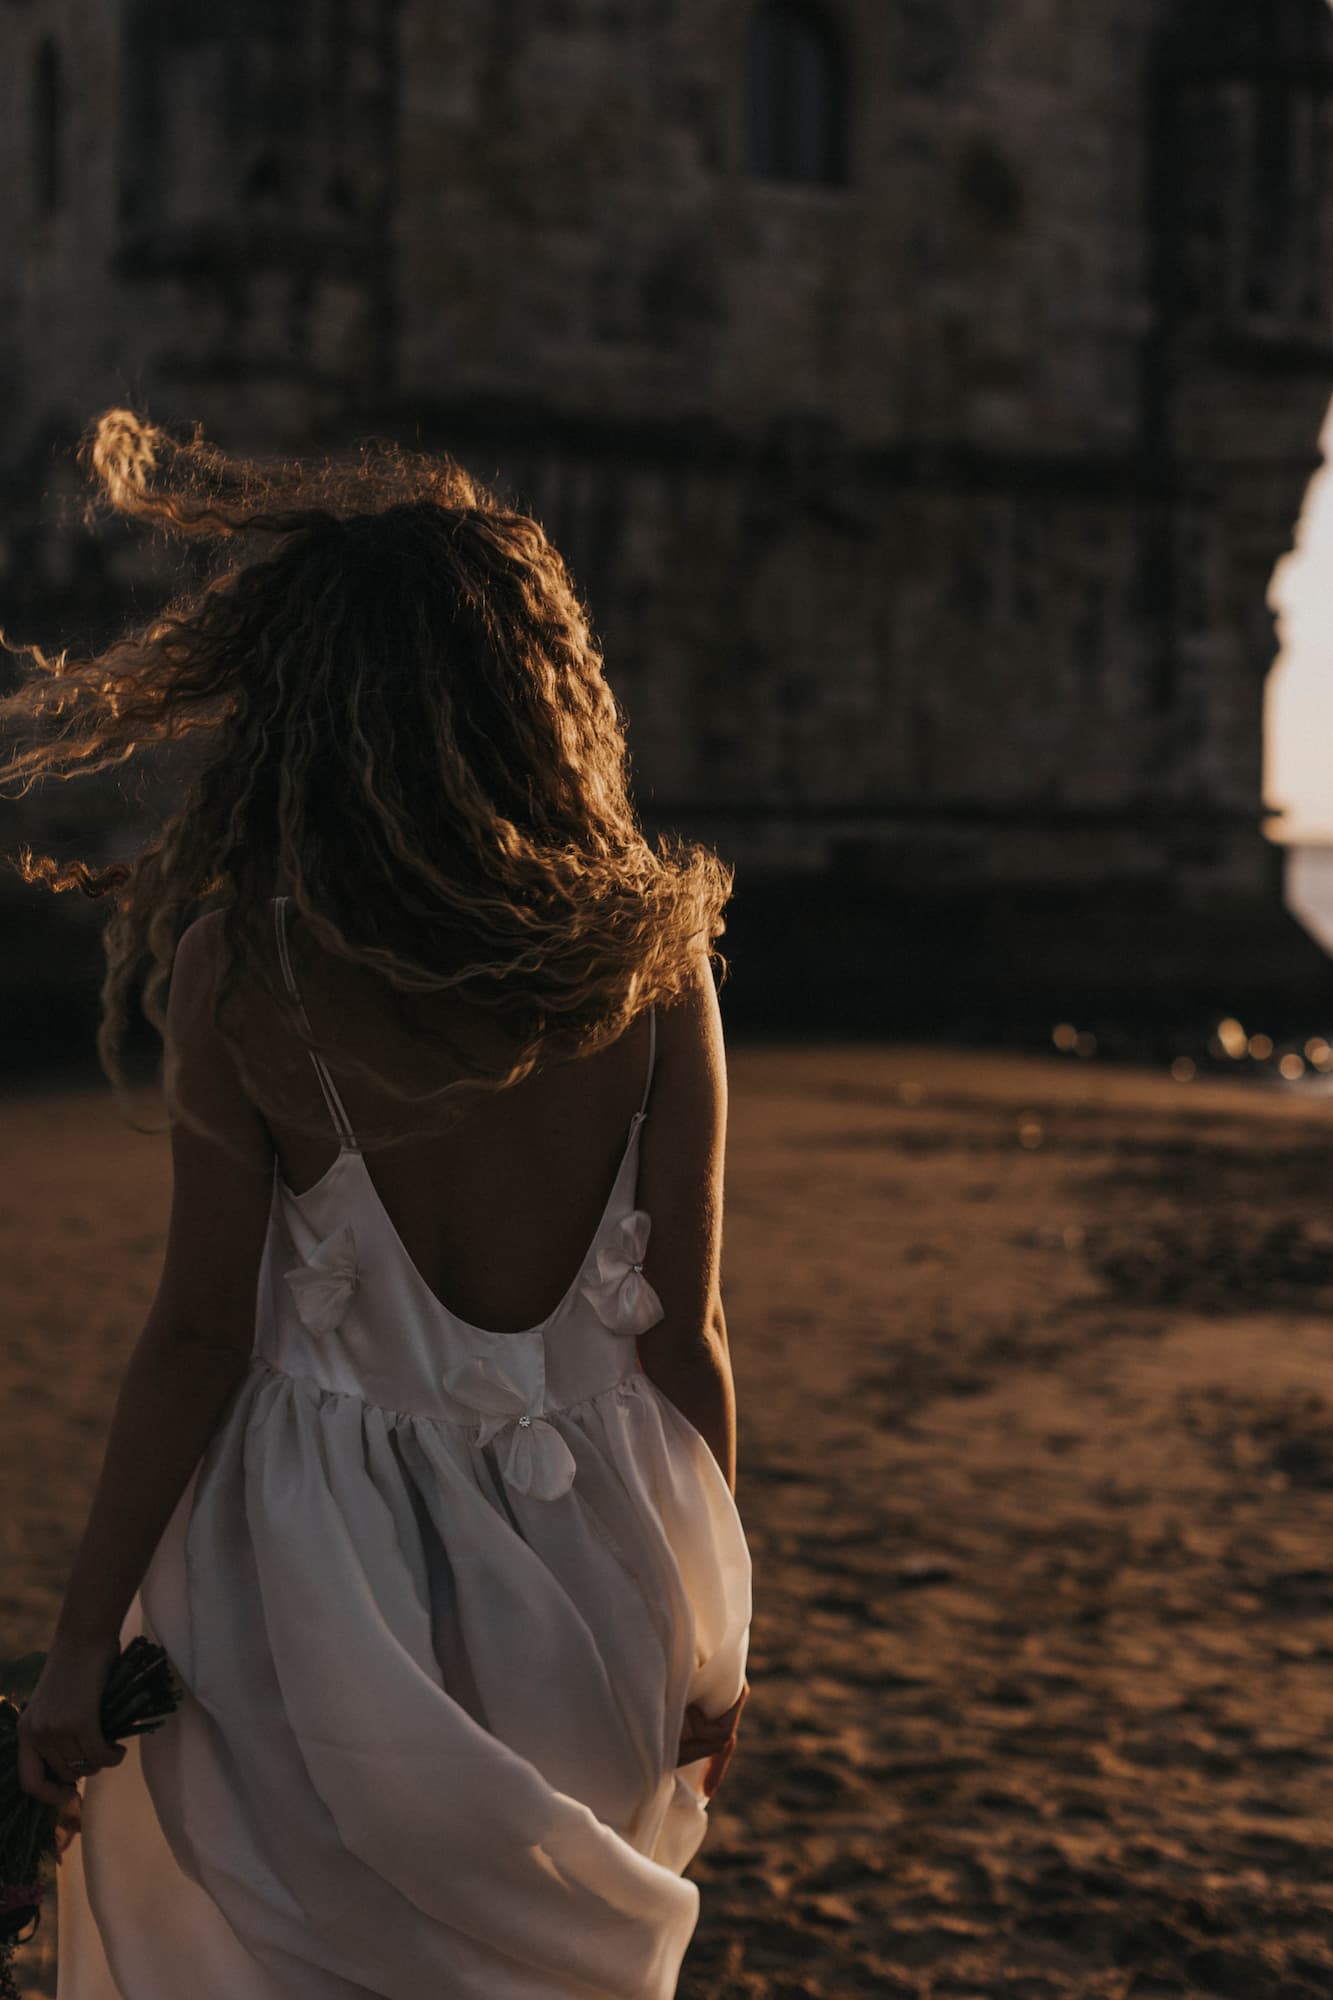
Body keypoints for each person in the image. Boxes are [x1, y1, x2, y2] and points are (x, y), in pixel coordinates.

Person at [1, 410, 752, 1998]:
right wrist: (711, 1640)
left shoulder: (248, 970)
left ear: (302, 719)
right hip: (598, 1572)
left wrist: (78, 1645)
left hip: (314, 1581)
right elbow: (685, 1337)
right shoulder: (656, 968)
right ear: (546, 702)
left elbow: (197, 1333)